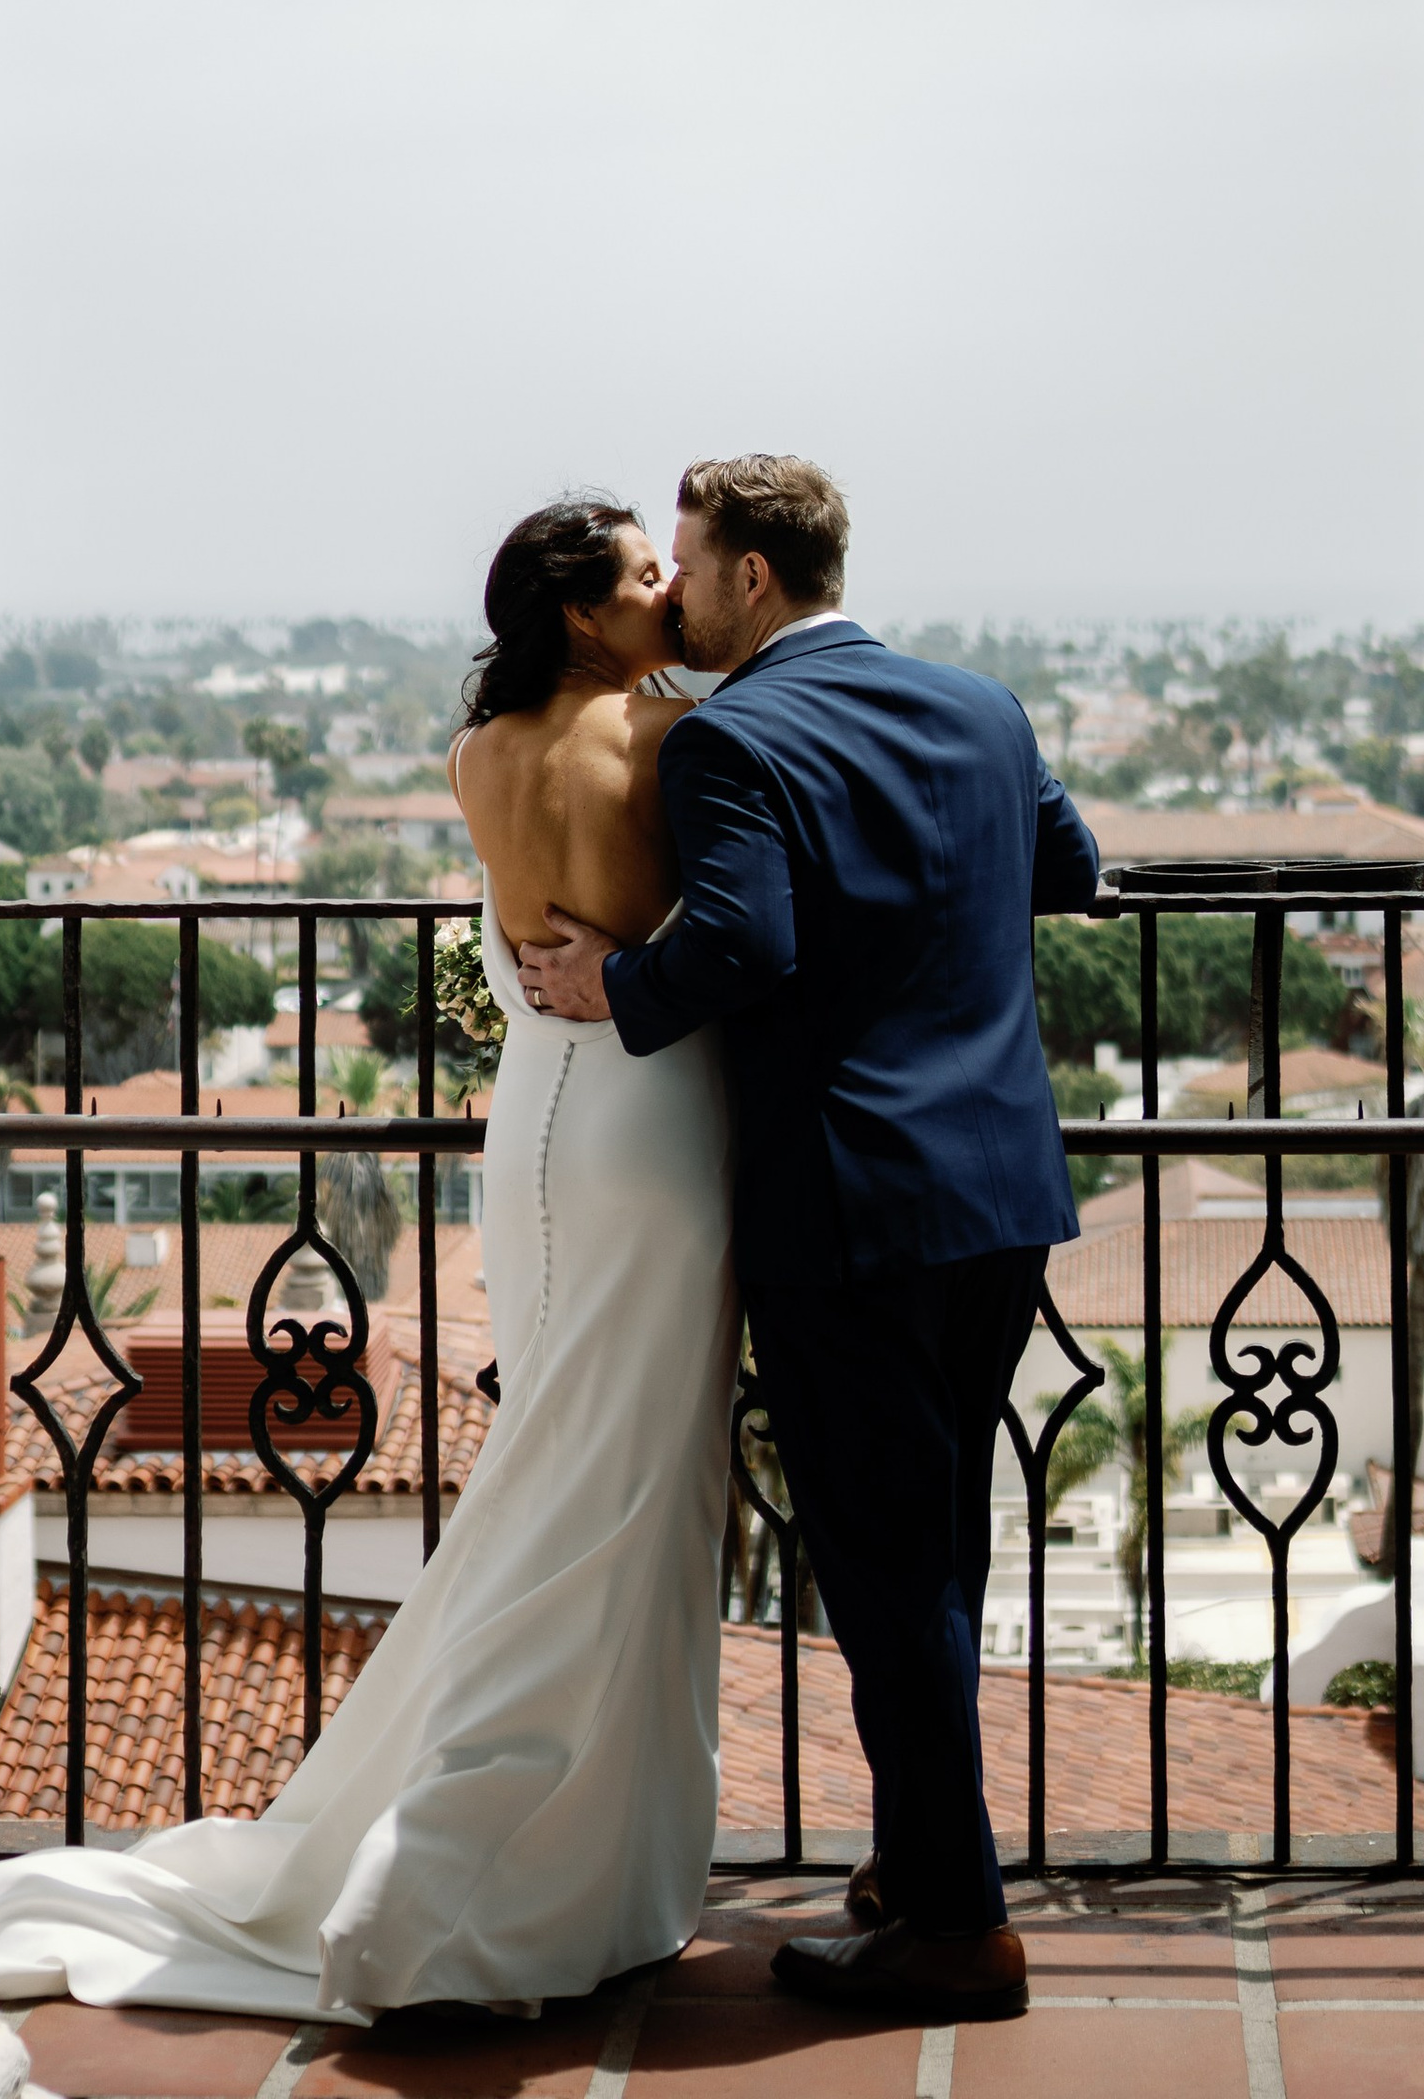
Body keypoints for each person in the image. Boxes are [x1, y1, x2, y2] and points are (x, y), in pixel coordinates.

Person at [0, 495, 736, 2025]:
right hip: (648, 1122)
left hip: (529, 1129)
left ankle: (573, 1860)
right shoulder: (669, 741)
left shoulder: (480, 754)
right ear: (586, 613)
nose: (672, 593)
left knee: (554, 1470)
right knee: (625, 1498)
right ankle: (467, 1871)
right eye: (649, 577)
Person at [520, 453, 1106, 2023]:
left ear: (753, 580)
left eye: (692, 567)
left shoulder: (734, 741)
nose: (680, 595)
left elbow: (742, 940)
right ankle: (923, 1862)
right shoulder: (982, 708)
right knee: (942, 1546)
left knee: (879, 1562)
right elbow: (1071, 868)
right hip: (1001, 1193)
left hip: (848, 1204)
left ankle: (958, 1925)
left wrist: (604, 991)